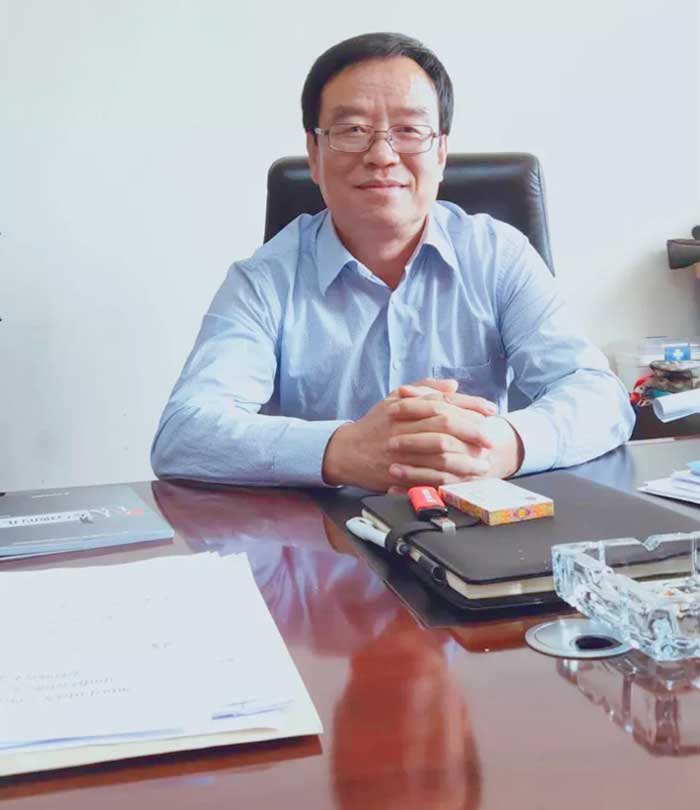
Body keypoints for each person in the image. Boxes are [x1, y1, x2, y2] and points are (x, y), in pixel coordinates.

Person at [151, 32, 634, 492]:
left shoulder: (498, 256)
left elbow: (600, 396)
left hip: (475, 524)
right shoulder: (264, 280)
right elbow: (184, 432)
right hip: (321, 534)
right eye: (353, 130)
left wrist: (501, 444)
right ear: (314, 153)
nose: (381, 155)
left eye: (408, 130)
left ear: (440, 151)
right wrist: (343, 449)